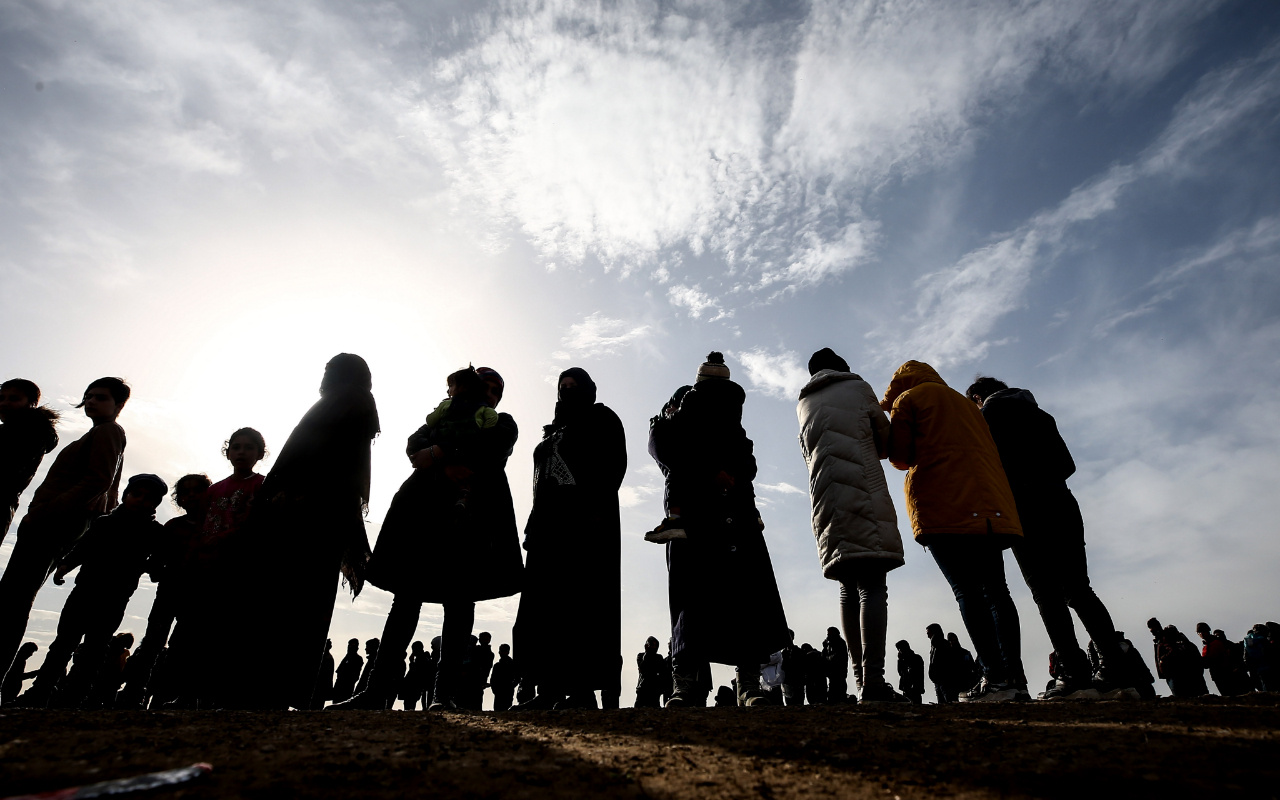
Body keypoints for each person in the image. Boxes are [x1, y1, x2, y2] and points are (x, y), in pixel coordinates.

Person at [332, 366, 522, 712]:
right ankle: (375, 692)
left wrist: (437, 454)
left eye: (496, 390)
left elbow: (490, 448)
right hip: (422, 519)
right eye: (484, 387)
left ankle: (443, 695)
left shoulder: (501, 422)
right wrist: (444, 460)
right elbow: (414, 445)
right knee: (406, 601)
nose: (489, 394)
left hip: (471, 522)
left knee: (461, 603)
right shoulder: (441, 417)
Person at [966, 377, 1126, 699]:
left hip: (1025, 510)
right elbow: (1068, 465)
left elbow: (986, 471)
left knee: (1046, 594)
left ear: (978, 398)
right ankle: (1117, 671)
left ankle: (1074, 673)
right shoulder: (1041, 414)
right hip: (1062, 503)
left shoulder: (986, 419)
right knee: (1080, 589)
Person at [649, 354, 789, 708]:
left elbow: (748, 461)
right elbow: (663, 446)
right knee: (690, 599)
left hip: (735, 513)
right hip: (694, 516)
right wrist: (709, 470)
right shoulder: (676, 415)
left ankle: (747, 683)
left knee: (744, 596)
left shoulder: (733, 426)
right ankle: (686, 683)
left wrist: (734, 475)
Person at [882, 362, 1025, 702]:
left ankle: (994, 678)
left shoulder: (909, 400)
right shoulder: (968, 405)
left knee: (967, 592)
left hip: (944, 507)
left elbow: (901, 457)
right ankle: (1015, 679)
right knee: (998, 592)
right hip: (988, 506)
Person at [797, 349, 909, 703]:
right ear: (843, 368)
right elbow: (884, 439)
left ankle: (861, 680)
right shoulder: (858, 389)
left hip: (826, 501)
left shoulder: (803, 405)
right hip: (863, 489)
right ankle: (874, 681)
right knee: (874, 585)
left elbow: (808, 454)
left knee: (847, 588)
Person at [0, 378, 129, 681]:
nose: (91, 402)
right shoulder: (97, 433)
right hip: (54, 523)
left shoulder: (108, 431)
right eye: (88, 397)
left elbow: (99, 480)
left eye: (101, 397)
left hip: (54, 524)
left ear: (119, 404)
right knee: (12, 599)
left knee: (13, 601)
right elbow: (108, 490)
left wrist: (46, 510)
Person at [513, 367, 626, 710]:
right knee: (544, 606)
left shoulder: (602, 418)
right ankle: (547, 689)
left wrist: (594, 508)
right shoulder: (553, 430)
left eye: (575, 386)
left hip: (585, 525)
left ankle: (581, 692)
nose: (568, 391)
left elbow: (613, 465)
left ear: (590, 389)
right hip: (548, 528)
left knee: (581, 604)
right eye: (563, 387)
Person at [20, 473, 167, 707]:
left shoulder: (154, 532)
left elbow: (158, 563)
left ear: (155, 504)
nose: (140, 500)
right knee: (63, 644)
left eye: (149, 498)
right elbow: (84, 547)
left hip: (116, 597)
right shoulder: (104, 523)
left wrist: (152, 568)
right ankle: (40, 693)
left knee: (95, 648)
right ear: (126, 495)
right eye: (136, 494)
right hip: (85, 590)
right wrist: (66, 565)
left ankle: (75, 696)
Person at [165, 429, 269, 708]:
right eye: (236, 447)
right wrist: (189, 563)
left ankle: (221, 696)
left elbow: (259, 527)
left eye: (249, 447)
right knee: (194, 634)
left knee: (228, 635)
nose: (241, 452)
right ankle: (187, 695)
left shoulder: (263, 486)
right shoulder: (214, 490)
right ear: (228, 452)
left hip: (238, 570)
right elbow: (200, 529)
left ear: (260, 454)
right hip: (204, 569)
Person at [116, 473, 212, 708]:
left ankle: (165, 696)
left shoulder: (213, 527)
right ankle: (134, 692)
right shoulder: (172, 527)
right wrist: (157, 569)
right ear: (178, 500)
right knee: (153, 643)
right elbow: (158, 558)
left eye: (196, 491)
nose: (191, 496)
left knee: (183, 645)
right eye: (185, 492)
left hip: (197, 594)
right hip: (169, 591)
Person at [0, 378, 59, 540]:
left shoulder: (28, 432)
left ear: (31, 403)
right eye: (1, 398)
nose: (4, 403)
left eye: (14, 399)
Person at [1196, 623, 1249, 697]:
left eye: (1203, 631)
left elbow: (1211, 660)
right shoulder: (1209, 645)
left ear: (1208, 631)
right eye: (1199, 632)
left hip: (1223, 673)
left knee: (1230, 695)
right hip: (1221, 673)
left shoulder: (1214, 643)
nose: (1201, 634)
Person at [635, 636, 666, 708]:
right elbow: (642, 668)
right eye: (652, 645)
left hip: (654, 690)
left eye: (655, 645)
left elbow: (662, 672)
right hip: (643, 689)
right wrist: (647, 653)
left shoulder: (659, 657)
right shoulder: (641, 656)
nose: (654, 647)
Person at [1243, 624, 1276, 692]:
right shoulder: (1263, 640)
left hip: (1255, 666)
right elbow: (1270, 653)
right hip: (1266, 665)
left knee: (1264, 684)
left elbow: (1246, 655)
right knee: (1269, 684)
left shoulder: (1248, 640)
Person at [332, 638, 363, 703]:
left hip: (346, 688)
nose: (350, 647)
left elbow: (355, 676)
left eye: (352, 646)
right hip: (339, 687)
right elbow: (339, 671)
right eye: (349, 645)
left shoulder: (357, 659)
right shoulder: (347, 657)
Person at [488, 643, 517, 711]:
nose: (501, 652)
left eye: (503, 650)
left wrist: (511, 687)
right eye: (501, 650)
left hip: (505, 691)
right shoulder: (498, 665)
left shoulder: (511, 665)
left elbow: (517, 678)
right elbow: (493, 679)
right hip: (500, 691)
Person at [311, 639, 336, 709]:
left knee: (316, 706)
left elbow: (326, 675)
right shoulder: (327, 657)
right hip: (322, 688)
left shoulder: (327, 658)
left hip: (321, 687)